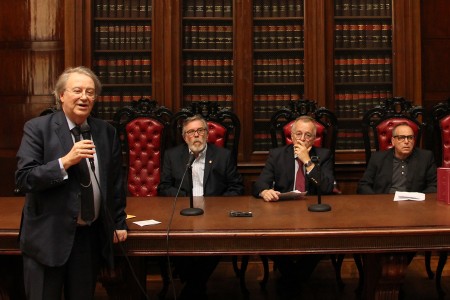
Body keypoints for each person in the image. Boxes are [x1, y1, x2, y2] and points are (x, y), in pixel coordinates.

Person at [15, 66, 128, 300]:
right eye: (77, 90)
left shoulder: (105, 131)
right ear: (61, 95)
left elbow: (115, 183)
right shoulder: (38, 128)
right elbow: (25, 178)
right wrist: (65, 162)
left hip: (87, 238)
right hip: (48, 238)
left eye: (90, 92)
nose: (84, 97)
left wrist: (119, 222)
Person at [158, 114, 244, 299]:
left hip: (214, 216)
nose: (196, 135)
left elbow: (236, 187)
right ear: (184, 137)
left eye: (200, 130)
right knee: (175, 243)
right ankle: (196, 286)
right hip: (183, 214)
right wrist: (185, 199)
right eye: (191, 132)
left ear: (207, 134)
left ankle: (191, 290)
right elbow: (164, 187)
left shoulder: (223, 156)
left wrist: (214, 205)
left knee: (217, 243)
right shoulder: (172, 156)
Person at [253, 115, 335, 296]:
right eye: (299, 134)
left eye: (308, 135)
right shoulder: (277, 154)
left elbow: (327, 187)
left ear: (314, 138)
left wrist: (307, 161)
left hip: (314, 215)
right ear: (291, 136)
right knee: (269, 240)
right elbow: (259, 183)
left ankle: (291, 281)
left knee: (323, 242)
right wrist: (264, 191)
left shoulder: (323, 155)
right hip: (282, 214)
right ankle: (296, 279)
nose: (303, 139)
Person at [357, 122, 437, 194]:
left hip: (414, 205)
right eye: (401, 138)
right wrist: (377, 201)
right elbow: (363, 185)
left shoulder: (425, 157)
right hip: (384, 204)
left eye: (410, 137)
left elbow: (434, 186)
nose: (406, 141)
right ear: (393, 141)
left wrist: (418, 198)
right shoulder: (378, 158)